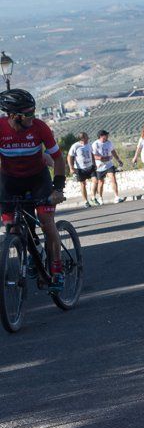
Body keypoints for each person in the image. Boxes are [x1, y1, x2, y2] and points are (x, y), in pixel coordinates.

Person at [0, 89, 67, 293]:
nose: (33, 117)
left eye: (33, 112)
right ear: (13, 116)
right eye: (28, 114)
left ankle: (57, 269)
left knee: (47, 223)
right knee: (11, 227)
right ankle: (30, 251)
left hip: (38, 180)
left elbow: (57, 158)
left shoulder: (39, 128)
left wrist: (58, 188)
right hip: (10, 180)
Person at [91, 130, 126, 204]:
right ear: (101, 136)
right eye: (106, 135)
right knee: (101, 182)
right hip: (100, 166)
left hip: (109, 165)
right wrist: (101, 158)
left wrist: (118, 160)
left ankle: (116, 197)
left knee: (113, 178)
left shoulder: (109, 143)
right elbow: (92, 156)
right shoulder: (95, 144)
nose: (107, 136)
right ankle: (100, 198)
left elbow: (113, 152)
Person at [67, 132, 98, 208]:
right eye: (87, 137)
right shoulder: (75, 146)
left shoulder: (89, 144)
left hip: (90, 166)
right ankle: (85, 201)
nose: (88, 138)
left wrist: (94, 164)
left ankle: (93, 198)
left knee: (95, 181)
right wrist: (71, 167)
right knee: (83, 184)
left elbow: (91, 154)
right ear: (83, 138)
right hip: (80, 168)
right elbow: (69, 156)